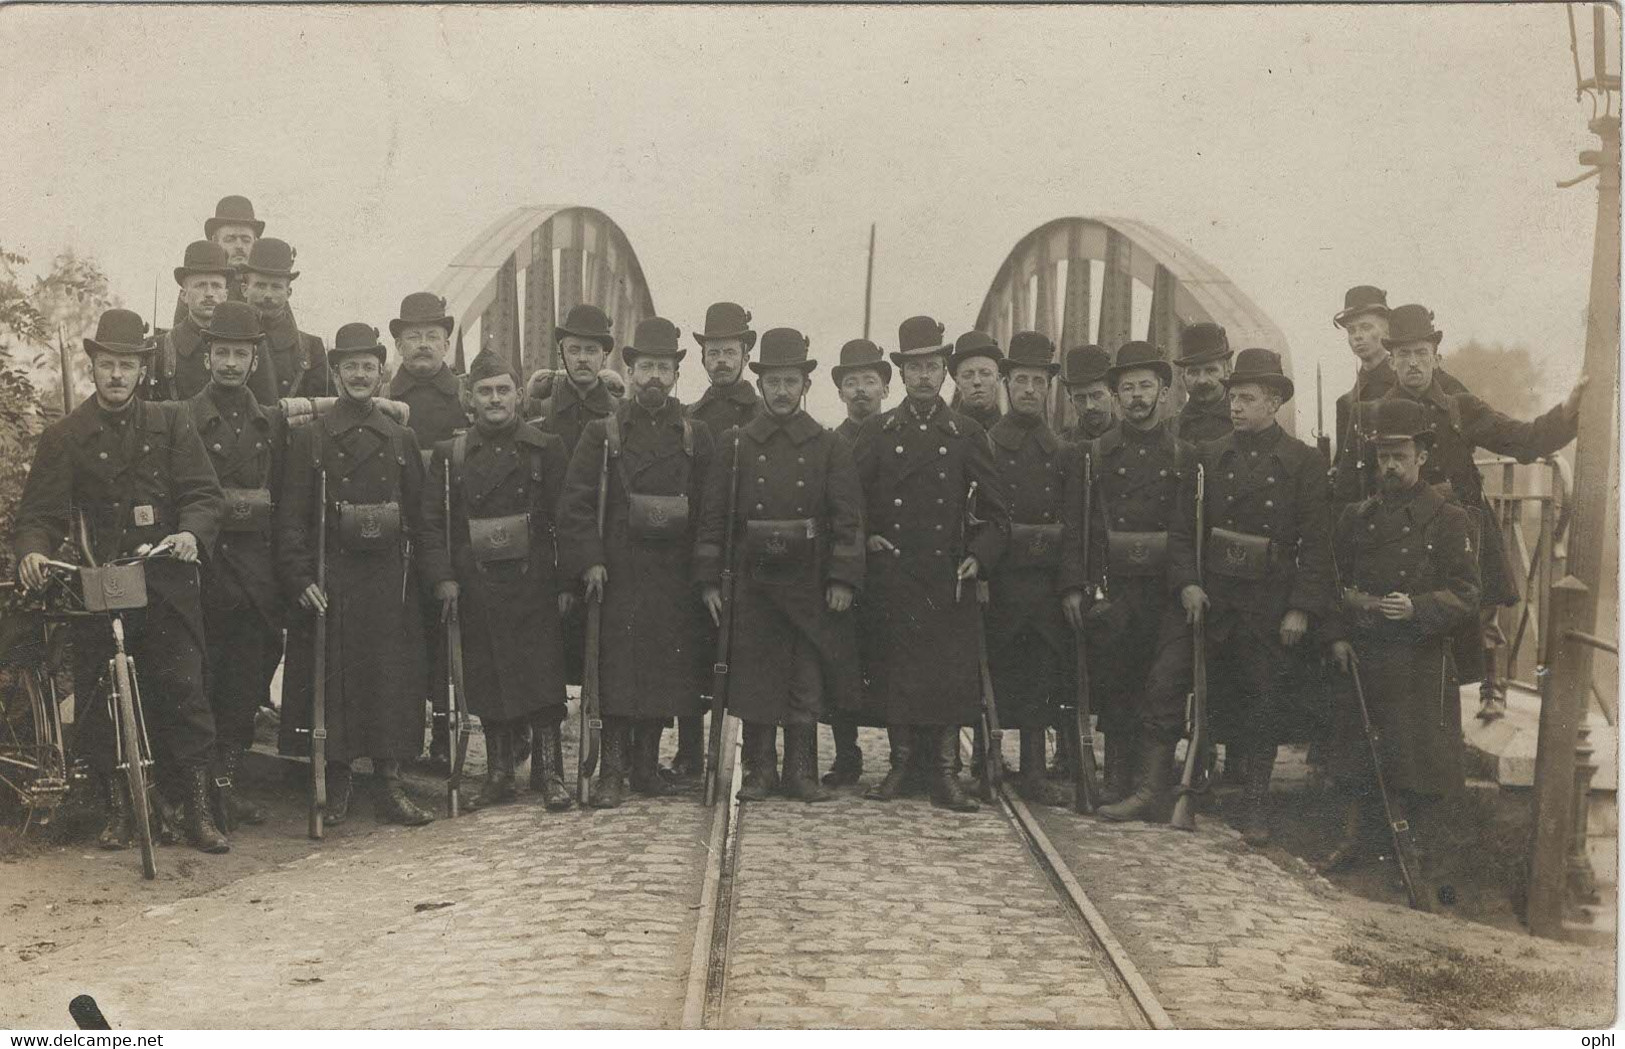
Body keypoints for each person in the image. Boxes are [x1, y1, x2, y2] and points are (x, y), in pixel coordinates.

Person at [13, 308, 229, 853]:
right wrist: (34, 553)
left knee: (184, 692)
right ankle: (119, 814)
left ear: (141, 369)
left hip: (164, 579)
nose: (116, 375)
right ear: (93, 367)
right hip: (99, 583)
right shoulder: (66, 436)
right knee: (100, 695)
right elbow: (39, 514)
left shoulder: (172, 421)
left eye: (126, 365)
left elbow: (205, 495)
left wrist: (190, 536)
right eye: (107, 364)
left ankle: (198, 813)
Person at [1337, 305, 1581, 721]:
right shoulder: (1372, 414)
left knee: (1479, 606)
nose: (1412, 363)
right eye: (1403, 355)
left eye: (1421, 353)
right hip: (1400, 534)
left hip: (1460, 525)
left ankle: (1492, 686)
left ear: (1435, 355)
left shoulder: (1459, 407)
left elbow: (1520, 439)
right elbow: (1351, 485)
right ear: (1391, 359)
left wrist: (1567, 412)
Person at [1164, 348, 1335, 843]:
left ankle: (1256, 804)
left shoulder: (1303, 462)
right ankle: (1196, 789)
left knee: (1264, 701)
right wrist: (1189, 583)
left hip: (1271, 601)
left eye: (1247, 398)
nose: (1235, 406)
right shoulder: (1209, 457)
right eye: (1233, 397)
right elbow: (1182, 531)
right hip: (1217, 598)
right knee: (1210, 693)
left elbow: (1317, 543)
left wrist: (1301, 606)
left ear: (1275, 401)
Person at [695, 328, 864, 802]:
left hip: (808, 584)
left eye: (791, 382)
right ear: (762, 386)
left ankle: (801, 773)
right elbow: (713, 519)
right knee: (756, 681)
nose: (783, 392)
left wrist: (842, 578)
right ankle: (759, 772)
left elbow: (847, 518)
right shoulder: (736, 444)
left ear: (805, 386)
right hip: (752, 583)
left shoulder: (829, 446)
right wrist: (709, 580)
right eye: (774, 383)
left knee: (805, 681)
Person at [276, 322, 434, 827]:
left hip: (391, 581)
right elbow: (291, 520)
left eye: (368, 366)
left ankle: (390, 782)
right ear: (336, 373)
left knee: (392, 679)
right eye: (350, 367)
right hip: (334, 579)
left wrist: (433, 578)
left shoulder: (402, 439)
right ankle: (337, 781)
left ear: (381, 371)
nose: (360, 375)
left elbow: (423, 516)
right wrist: (302, 579)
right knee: (335, 681)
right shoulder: (311, 439)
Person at [852, 315, 1009, 813]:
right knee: (897, 668)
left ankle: (945, 771)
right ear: (901, 374)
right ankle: (899, 766)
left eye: (933, 367)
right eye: (915, 367)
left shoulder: (964, 435)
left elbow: (997, 515)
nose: (924, 376)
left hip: (948, 575)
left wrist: (978, 558)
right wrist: (867, 537)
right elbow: (848, 501)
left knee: (947, 672)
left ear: (945, 373)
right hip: (895, 573)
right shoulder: (878, 432)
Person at [1321, 399, 1480, 888]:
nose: (1389, 465)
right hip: (1367, 652)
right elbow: (1333, 583)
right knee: (1360, 749)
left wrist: (1418, 608)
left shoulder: (1448, 519)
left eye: (1400, 455)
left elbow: (1469, 594)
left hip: (1420, 658)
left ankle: (1421, 856)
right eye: (1383, 456)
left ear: (1422, 456)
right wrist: (1339, 636)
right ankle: (1355, 841)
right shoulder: (1356, 516)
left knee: (1419, 757)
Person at [559, 318, 715, 808]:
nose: (653, 377)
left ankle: (647, 766)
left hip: (672, 574)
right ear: (629, 370)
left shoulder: (696, 434)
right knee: (618, 674)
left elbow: (711, 511)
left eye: (663, 368)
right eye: (645, 366)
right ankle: (613, 770)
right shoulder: (602, 431)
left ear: (675, 375)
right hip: (620, 572)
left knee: (664, 673)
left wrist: (703, 573)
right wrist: (590, 562)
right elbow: (576, 503)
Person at [421, 347, 573, 811]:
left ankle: (550, 774)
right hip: (476, 581)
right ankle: (499, 774)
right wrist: (443, 577)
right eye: (484, 391)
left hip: (535, 580)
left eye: (503, 390)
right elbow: (431, 523)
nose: (494, 399)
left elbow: (567, 519)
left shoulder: (546, 449)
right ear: (470, 398)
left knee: (542, 675)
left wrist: (566, 582)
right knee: (487, 675)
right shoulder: (453, 453)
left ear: (520, 394)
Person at [1062, 341, 1196, 818]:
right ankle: (1117, 780)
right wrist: (1076, 584)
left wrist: (1189, 583)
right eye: (1128, 389)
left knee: (1162, 684)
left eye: (1146, 387)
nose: (1137, 397)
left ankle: (1150, 787)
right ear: (1115, 396)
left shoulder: (1184, 454)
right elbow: (1078, 527)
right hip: (1116, 586)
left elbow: (1191, 530)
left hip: (1167, 588)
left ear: (1164, 391)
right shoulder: (1095, 454)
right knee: (1117, 680)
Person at [181, 302, 285, 830]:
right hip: (205, 568)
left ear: (252, 359)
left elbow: (283, 498)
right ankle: (199, 794)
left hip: (255, 577)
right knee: (203, 683)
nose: (228, 363)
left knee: (243, 687)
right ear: (207, 358)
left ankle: (228, 784)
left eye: (239, 354)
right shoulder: (185, 420)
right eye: (221, 352)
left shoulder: (269, 421)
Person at [981, 331, 1072, 805]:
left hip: (1044, 581)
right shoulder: (988, 444)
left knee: (1040, 673)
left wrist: (1069, 583)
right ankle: (985, 760)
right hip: (1001, 579)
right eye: (1021, 380)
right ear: (1007, 384)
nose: (1030, 390)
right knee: (991, 668)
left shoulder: (1061, 450)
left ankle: (1034, 768)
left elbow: (1074, 522)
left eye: (1039, 381)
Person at [386, 292, 468, 772]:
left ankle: (444, 734)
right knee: (401, 635)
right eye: (413, 337)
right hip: (395, 534)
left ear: (446, 342)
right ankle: (403, 736)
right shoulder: (383, 397)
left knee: (444, 634)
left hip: (447, 531)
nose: (422, 346)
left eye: (432, 337)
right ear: (398, 343)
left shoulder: (463, 396)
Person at [682, 302, 762, 781]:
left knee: (751, 654)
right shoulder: (691, 416)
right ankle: (691, 751)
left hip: (750, 551)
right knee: (693, 653)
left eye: (729, 351)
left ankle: (755, 756)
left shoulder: (761, 410)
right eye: (713, 352)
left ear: (746, 354)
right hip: (698, 548)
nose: (721, 361)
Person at [822, 337, 892, 784]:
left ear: (886, 388)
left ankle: (907, 756)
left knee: (893, 663)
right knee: (841, 663)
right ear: (841, 392)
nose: (861, 390)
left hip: (891, 569)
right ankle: (846, 755)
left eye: (870, 381)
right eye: (852, 382)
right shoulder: (830, 443)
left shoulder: (899, 435)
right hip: (844, 565)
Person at [150, 241, 277, 404]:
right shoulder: (159, 349)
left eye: (216, 286)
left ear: (225, 295)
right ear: (184, 295)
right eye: (200, 285)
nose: (209, 293)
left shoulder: (252, 343)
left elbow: (266, 410)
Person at [242, 237, 329, 401]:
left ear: (288, 293)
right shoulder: (224, 339)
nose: (268, 295)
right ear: (245, 289)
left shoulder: (311, 349)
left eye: (276, 287)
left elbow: (323, 414)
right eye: (260, 285)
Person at [171, 195, 265, 325]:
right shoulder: (198, 284)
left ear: (255, 242)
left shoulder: (266, 284)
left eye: (246, 239)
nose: (239, 246)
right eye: (230, 239)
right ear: (214, 241)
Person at [1171, 323, 1233, 444]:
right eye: (1193, 372)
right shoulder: (1169, 431)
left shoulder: (1245, 426)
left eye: (1211, 370)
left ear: (1227, 372)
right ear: (1183, 377)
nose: (1202, 380)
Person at [1059, 344, 1117, 444]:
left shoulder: (1132, 441)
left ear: (1112, 393)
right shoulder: (1061, 448)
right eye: (1080, 398)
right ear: (1071, 401)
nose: (1089, 406)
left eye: (1096, 396)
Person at [948, 330, 1004, 433]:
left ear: (998, 379)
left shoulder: (1009, 430)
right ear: (957, 383)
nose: (977, 382)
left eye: (985, 373)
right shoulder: (947, 431)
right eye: (967, 375)